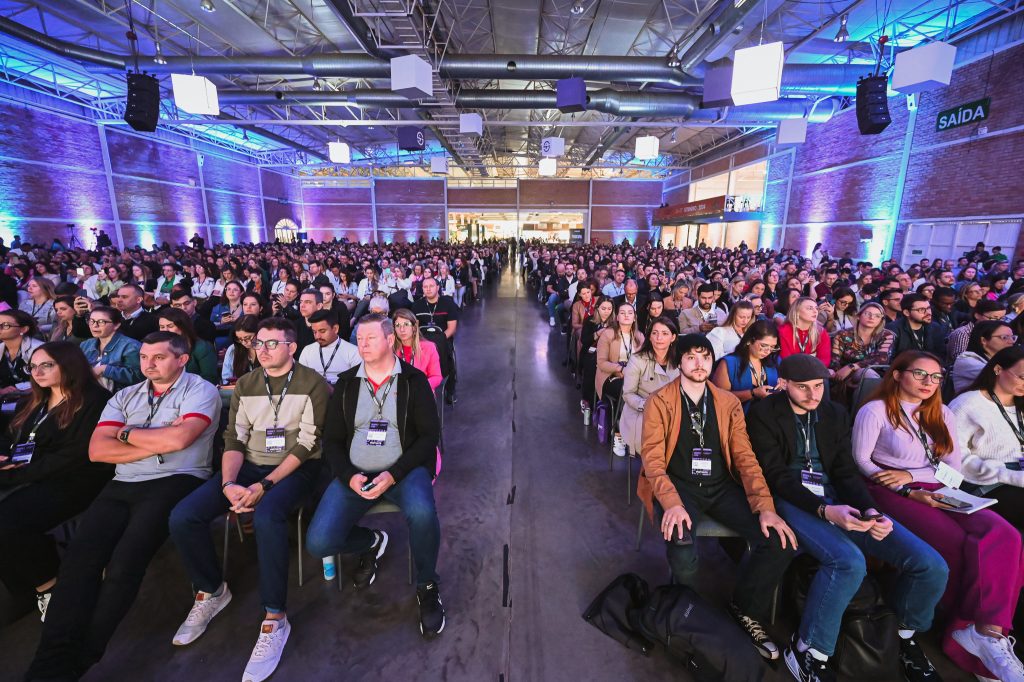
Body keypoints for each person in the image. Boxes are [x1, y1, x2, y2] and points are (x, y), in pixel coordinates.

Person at [25, 332, 221, 682]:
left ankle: (79, 660)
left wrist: (126, 434)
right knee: (78, 564)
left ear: (182, 359)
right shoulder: (124, 394)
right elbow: (97, 451)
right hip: (123, 483)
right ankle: (48, 664)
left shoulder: (200, 390)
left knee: (124, 564)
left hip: (178, 478)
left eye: (159, 357)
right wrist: (154, 441)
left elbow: (181, 439)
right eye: (145, 357)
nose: (149, 364)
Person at [747, 355, 948, 682]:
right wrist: (825, 511)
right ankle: (808, 650)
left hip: (835, 498)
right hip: (789, 500)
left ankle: (903, 638)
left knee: (929, 564)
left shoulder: (833, 413)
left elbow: (844, 471)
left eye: (818, 386)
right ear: (782, 384)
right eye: (803, 388)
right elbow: (775, 475)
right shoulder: (764, 413)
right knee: (848, 561)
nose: (814, 395)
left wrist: (870, 510)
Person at [168, 317, 326, 682]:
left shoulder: (311, 383)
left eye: (273, 343)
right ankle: (211, 590)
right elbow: (234, 439)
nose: (263, 349)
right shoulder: (246, 384)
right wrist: (228, 484)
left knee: (269, 516)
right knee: (184, 516)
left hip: (293, 469)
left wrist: (264, 486)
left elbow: (307, 444)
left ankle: (275, 617)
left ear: (292, 347)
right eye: (259, 344)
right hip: (247, 468)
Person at [852, 351, 1024, 681]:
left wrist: (913, 472)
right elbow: (861, 461)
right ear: (898, 374)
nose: (929, 383)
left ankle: (988, 632)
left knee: (1008, 536)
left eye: (935, 377)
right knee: (959, 544)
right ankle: (966, 629)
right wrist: (903, 481)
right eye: (920, 375)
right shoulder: (875, 410)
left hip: (939, 486)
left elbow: (954, 468)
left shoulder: (942, 412)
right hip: (888, 489)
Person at [637, 333, 797, 660]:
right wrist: (671, 503)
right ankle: (687, 616)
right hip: (679, 486)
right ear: (678, 362)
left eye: (705, 357)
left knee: (779, 541)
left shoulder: (727, 403)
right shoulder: (660, 401)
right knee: (681, 543)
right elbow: (652, 461)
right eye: (692, 357)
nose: (700, 364)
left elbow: (745, 457)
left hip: (722, 487)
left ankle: (745, 608)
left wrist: (765, 507)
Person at [305, 313, 444, 638]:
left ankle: (427, 583)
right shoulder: (348, 382)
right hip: (356, 472)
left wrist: (394, 474)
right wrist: (348, 474)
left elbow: (428, 437)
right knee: (318, 542)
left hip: (403, 470)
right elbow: (334, 440)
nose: (363, 344)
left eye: (371, 338)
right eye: (360, 338)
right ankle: (371, 541)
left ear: (390, 340)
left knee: (423, 513)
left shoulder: (412, 380)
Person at [0, 342, 111, 621]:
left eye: (46, 365)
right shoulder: (34, 400)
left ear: (69, 365)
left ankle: (48, 586)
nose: (37, 372)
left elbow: (74, 456)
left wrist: (15, 474)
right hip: (31, 474)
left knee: (8, 520)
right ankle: (23, 590)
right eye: (33, 366)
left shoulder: (94, 400)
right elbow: (13, 437)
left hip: (76, 480)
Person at [950, 346, 1024, 529]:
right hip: (986, 482)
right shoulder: (967, 404)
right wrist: (1008, 474)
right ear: (998, 369)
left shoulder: (1020, 403)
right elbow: (954, 457)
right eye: (1022, 377)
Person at [618, 316, 679, 459]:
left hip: (671, 412)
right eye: (655, 333)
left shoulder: (680, 361)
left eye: (665, 333)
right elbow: (628, 394)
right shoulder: (637, 360)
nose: (659, 337)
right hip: (641, 411)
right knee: (653, 439)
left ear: (673, 337)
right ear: (649, 337)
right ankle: (653, 473)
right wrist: (650, 406)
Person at [829, 301, 894, 404]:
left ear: (881, 320)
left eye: (877, 316)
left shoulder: (887, 335)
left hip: (875, 374)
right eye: (868, 314)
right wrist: (838, 373)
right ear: (859, 316)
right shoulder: (843, 334)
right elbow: (835, 360)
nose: (872, 317)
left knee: (867, 373)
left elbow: (881, 359)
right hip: (844, 375)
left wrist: (853, 366)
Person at [710, 320, 781, 413]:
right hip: (738, 419)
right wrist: (752, 393)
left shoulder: (774, 361)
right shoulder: (729, 363)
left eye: (772, 347)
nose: (768, 351)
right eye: (764, 346)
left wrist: (784, 385)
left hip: (768, 417)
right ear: (749, 340)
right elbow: (719, 399)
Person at [79, 306, 143, 393]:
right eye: (91, 321)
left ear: (116, 325)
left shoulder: (131, 346)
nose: (95, 325)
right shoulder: (86, 344)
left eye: (101, 322)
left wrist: (105, 369)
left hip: (117, 397)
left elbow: (139, 377)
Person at [950, 320, 1017, 394]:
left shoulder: (1001, 359)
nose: (1011, 341)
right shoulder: (966, 360)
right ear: (984, 340)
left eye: (1013, 337)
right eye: (1004, 337)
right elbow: (1001, 377)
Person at [157, 308, 219, 385]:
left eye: (170, 326)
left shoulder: (202, 347)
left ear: (182, 326)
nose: (165, 330)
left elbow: (209, 378)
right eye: (162, 327)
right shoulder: (159, 348)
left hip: (197, 391)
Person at [297, 309, 361, 385]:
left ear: (335, 329)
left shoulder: (353, 351)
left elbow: (357, 384)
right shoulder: (307, 350)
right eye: (314, 332)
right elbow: (300, 379)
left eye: (322, 331)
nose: (317, 336)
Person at [391, 308, 443, 391]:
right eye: (397, 325)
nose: (402, 329)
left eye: (406, 324)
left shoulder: (429, 347)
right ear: (394, 329)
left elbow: (437, 377)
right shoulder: (391, 349)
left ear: (414, 327)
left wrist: (419, 386)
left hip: (422, 393)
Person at [947, 299, 1006, 365]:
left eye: (1002, 318)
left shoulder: (998, 333)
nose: (999, 322)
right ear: (977, 315)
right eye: (994, 318)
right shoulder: (963, 333)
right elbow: (960, 360)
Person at [886, 293, 945, 358]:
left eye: (928, 308)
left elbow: (941, 354)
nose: (928, 313)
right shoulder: (893, 329)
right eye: (921, 310)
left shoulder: (935, 327)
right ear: (907, 313)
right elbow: (889, 358)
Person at [778, 297, 831, 368]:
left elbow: (824, 359)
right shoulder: (783, 331)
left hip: (815, 372)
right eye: (810, 308)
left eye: (816, 308)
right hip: (791, 372)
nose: (815, 311)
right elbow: (786, 359)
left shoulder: (821, 332)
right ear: (797, 311)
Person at [0, 310, 44, 394]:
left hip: (36, 398)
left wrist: (32, 390)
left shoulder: (40, 349)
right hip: (6, 400)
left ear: (23, 329)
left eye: (5, 325)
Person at [222, 315, 261, 385]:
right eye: (239, 339)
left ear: (258, 333)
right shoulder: (232, 349)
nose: (243, 342)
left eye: (248, 338)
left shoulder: (266, 348)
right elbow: (226, 378)